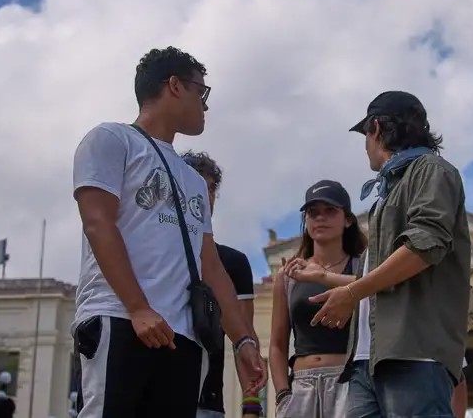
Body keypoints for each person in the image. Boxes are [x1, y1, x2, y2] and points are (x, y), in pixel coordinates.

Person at [71, 46, 265, 417]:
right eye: (201, 92)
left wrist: (242, 340)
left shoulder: (193, 179)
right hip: (121, 318)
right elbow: (98, 223)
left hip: (184, 336)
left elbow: (211, 266)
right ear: (174, 86)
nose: (205, 105)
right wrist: (138, 307)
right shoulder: (111, 139)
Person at [310, 90, 472, 417]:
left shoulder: (432, 170)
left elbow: (425, 244)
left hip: (414, 353)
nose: (365, 147)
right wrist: (334, 283)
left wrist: (352, 292)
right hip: (367, 359)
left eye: (365, 136)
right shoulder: (387, 192)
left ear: (378, 129)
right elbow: (384, 270)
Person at [269, 179, 366, 417]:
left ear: (348, 219)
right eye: (313, 213)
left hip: (349, 383)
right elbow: (277, 344)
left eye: (330, 211)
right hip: (301, 387)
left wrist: (323, 276)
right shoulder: (287, 276)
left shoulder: (363, 268)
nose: (320, 218)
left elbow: (378, 289)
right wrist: (282, 394)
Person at [181, 151, 258, 418]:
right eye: (198, 187)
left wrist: (252, 405)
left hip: (208, 403)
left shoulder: (233, 263)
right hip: (153, 393)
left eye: (211, 189)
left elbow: (244, 335)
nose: (206, 197)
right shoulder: (154, 255)